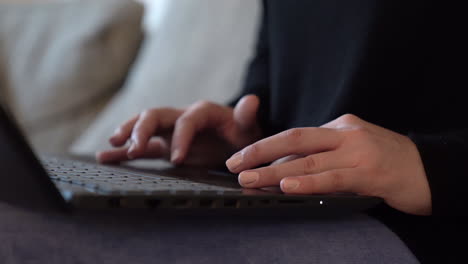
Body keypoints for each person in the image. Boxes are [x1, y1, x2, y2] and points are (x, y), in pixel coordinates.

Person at [97, 0, 464, 263]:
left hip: (421, 232)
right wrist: (246, 138)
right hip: (287, 205)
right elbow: (277, 85)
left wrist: (431, 166)